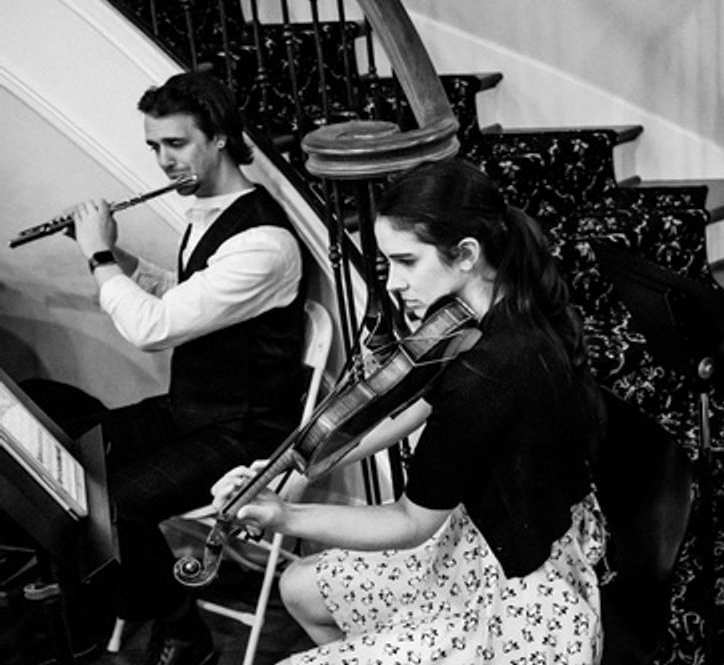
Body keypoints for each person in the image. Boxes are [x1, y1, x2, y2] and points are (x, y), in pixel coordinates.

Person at [211, 157, 608, 665]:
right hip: (498, 539)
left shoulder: (490, 374)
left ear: (466, 254)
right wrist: (301, 465)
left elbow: (409, 522)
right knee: (299, 585)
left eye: (406, 261)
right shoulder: (497, 309)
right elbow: (415, 400)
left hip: (518, 597)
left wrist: (286, 514)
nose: (393, 283)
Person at [20, 70, 308, 665]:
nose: (162, 160)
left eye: (175, 144)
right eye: (154, 146)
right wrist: (117, 256)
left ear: (220, 137)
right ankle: (92, 598)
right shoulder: (209, 210)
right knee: (68, 460)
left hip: (246, 430)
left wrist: (99, 256)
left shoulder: (264, 242)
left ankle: (182, 623)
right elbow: (187, 296)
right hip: (192, 411)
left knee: (115, 508)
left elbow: (155, 328)